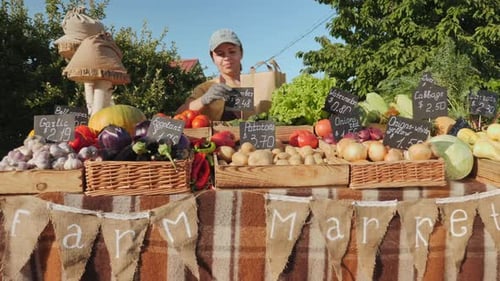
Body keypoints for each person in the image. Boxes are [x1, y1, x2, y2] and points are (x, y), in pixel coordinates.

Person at [175, 28, 243, 121]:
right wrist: (204, 99)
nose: (227, 57)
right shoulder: (205, 88)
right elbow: (179, 116)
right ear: (213, 58)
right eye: (220, 54)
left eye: (232, 52)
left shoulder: (257, 84)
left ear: (241, 53)